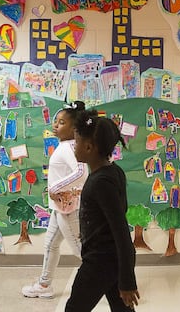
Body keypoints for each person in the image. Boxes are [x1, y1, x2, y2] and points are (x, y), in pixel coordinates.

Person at [65, 110, 138, 312]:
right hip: (110, 259)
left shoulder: (101, 182)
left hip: (100, 262)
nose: (74, 146)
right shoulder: (113, 172)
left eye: (77, 142)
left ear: (89, 147)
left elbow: (121, 231)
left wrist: (127, 280)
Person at [22, 101, 88, 299]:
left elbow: (82, 172)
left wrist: (55, 188)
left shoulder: (69, 147)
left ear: (74, 128)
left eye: (61, 122)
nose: (55, 125)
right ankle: (44, 285)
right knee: (51, 244)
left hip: (68, 209)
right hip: (60, 207)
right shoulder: (64, 146)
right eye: (55, 121)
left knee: (81, 251)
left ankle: (115, 283)